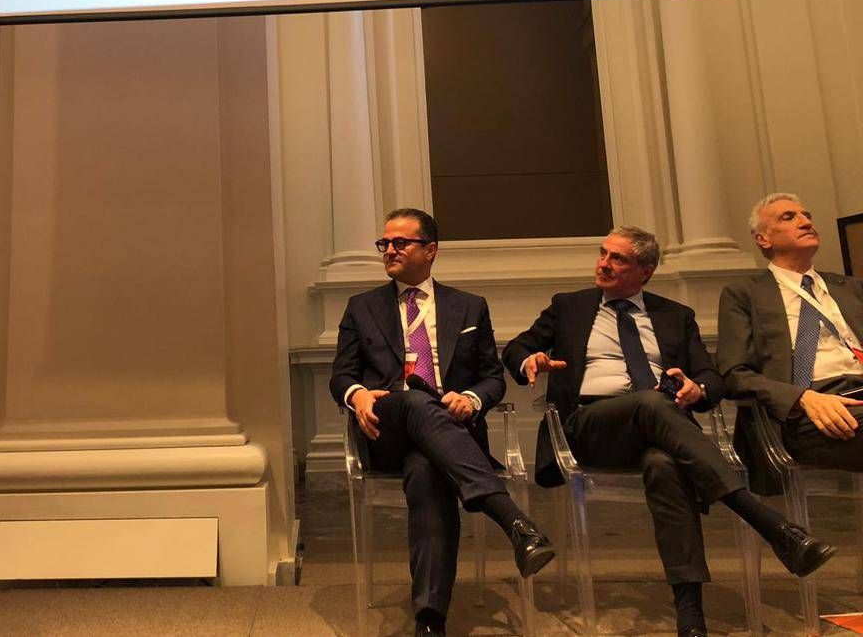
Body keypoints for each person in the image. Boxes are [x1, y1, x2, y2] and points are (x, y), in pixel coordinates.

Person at [503, 225, 834, 637]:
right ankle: (767, 522)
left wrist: (698, 389)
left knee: (665, 466)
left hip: (660, 429)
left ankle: (690, 616)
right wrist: (531, 360)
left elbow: (712, 379)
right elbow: (516, 348)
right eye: (603, 253)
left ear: (646, 271)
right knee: (651, 402)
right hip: (590, 427)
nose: (603, 264)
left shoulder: (675, 316)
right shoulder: (569, 306)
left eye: (617, 258)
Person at [330, 208, 554, 637]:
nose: (389, 250)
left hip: (450, 432)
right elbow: (341, 375)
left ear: (430, 250)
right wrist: (357, 394)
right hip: (386, 425)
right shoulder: (362, 307)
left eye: (400, 243)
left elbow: (492, 378)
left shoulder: (469, 306)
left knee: (426, 471)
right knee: (414, 400)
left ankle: (430, 620)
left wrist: (470, 399)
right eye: (384, 243)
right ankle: (510, 517)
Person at [719, 193, 863, 478]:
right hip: (808, 409)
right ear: (763, 239)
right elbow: (735, 374)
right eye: (789, 217)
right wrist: (801, 398)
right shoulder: (745, 293)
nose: (806, 222)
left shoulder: (851, 287)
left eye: (807, 215)